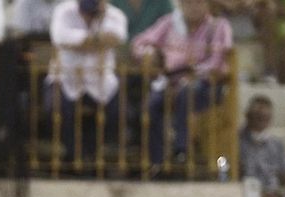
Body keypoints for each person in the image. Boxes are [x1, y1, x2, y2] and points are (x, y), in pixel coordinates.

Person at [130, 0, 233, 168]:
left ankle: (181, 150)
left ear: (208, 5)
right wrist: (149, 54)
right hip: (171, 82)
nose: (193, 6)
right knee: (151, 104)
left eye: (198, 3)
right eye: (188, 2)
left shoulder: (219, 26)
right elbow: (138, 43)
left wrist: (191, 74)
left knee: (188, 92)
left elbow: (217, 61)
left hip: (207, 85)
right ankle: (157, 162)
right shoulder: (170, 23)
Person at [47, 0, 129, 164]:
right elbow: (60, 37)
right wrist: (98, 40)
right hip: (65, 78)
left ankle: (90, 156)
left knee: (120, 113)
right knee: (55, 108)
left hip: (101, 81)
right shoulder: (63, 11)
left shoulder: (115, 15)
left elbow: (117, 37)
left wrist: (82, 39)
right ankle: (75, 158)